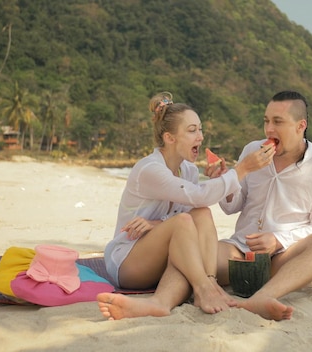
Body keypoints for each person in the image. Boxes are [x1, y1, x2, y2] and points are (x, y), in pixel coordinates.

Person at [96, 92, 274, 320]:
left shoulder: (188, 170)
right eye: (191, 131)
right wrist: (242, 170)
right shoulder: (149, 169)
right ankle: (204, 288)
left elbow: (192, 212)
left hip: (162, 257)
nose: (200, 136)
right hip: (128, 262)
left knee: (201, 214)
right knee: (186, 220)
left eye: (200, 129)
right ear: (170, 138)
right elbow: (193, 202)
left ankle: (165, 301)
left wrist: (155, 224)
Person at [207, 90, 312, 321]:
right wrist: (224, 179)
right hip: (239, 252)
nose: (269, 129)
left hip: (282, 260)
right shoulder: (252, 151)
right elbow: (233, 206)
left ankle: (264, 296)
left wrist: (278, 239)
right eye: (266, 121)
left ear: (301, 126)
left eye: (278, 122)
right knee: (193, 253)